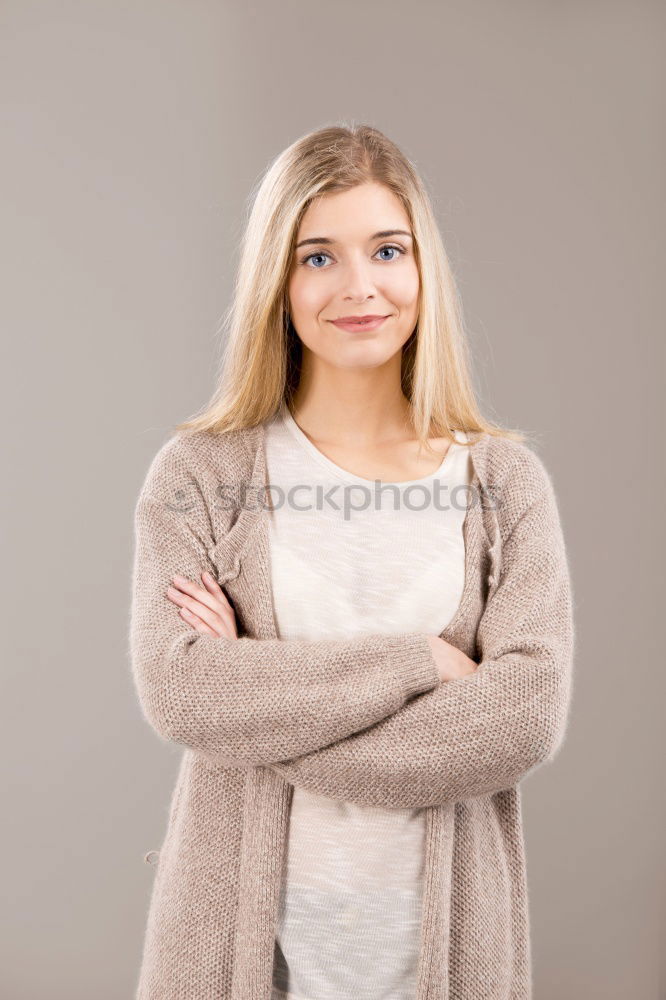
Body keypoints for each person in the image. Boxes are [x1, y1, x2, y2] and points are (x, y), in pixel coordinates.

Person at [129, 123, 575, 1000]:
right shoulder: (203, 476)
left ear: (423, 268)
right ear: (278, 281)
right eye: (319, 257)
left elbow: (523, 714)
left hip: (443, 963)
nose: (360, 286)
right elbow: (180, 689)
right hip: (238, 962)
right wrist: (421, 664)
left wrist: (258, 704)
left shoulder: (505, 483)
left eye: (387, 249)